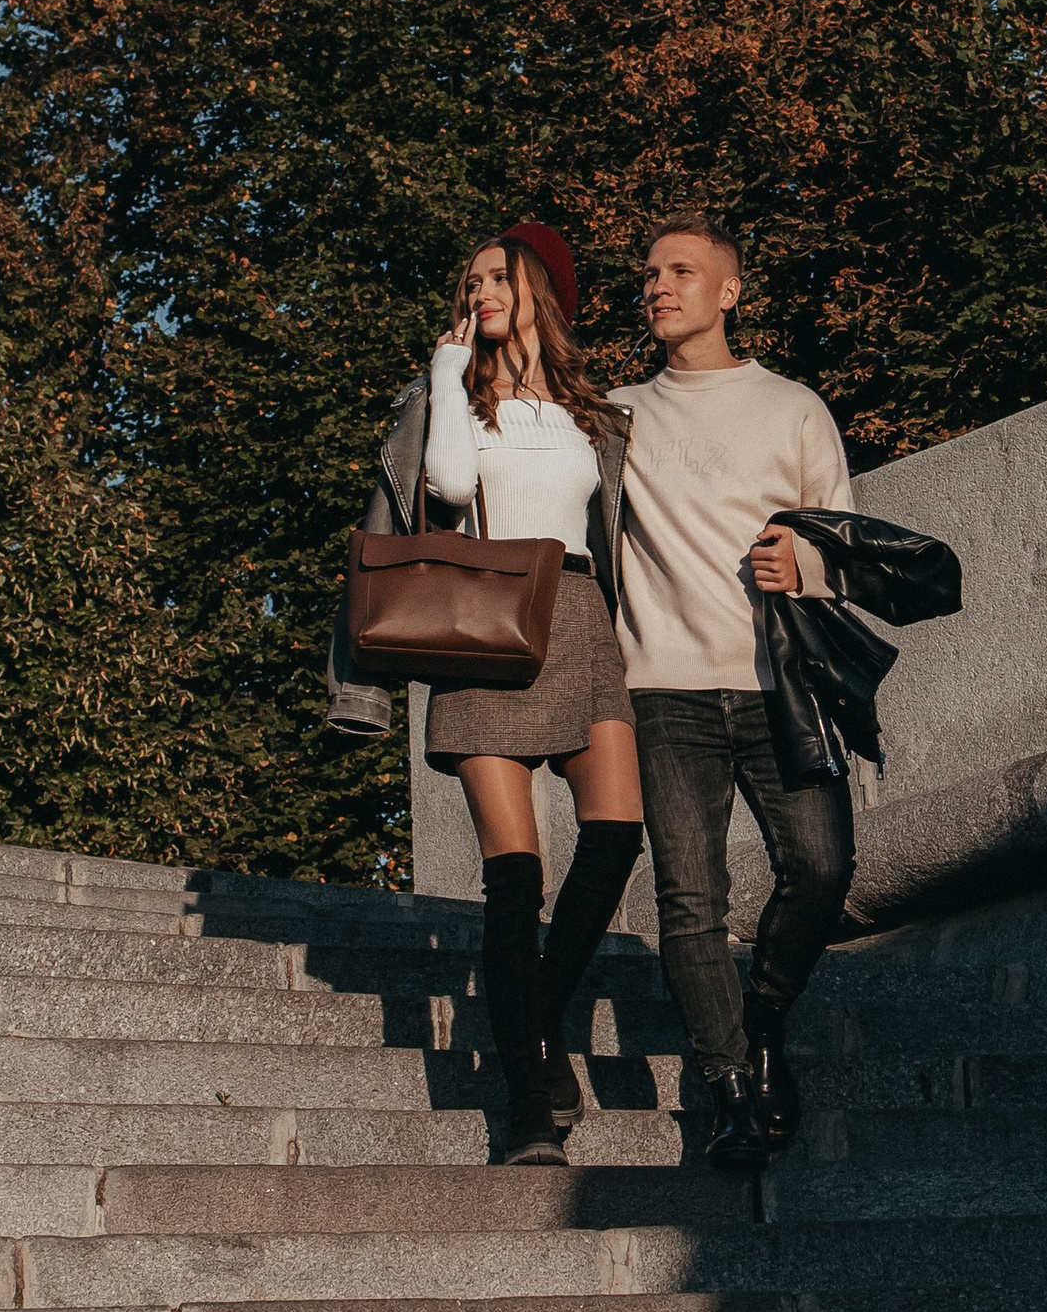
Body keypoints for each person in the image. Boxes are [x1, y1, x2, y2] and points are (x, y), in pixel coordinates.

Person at [328, 221, 642, 1165]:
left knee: (618, 833)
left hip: (582, 620)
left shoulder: (598, 417)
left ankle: (537, 1016)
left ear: (539, 287)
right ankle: (529, 1103)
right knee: (515, 879)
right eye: (469, 281)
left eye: (496, 277)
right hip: (486, 625)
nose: (481, 291)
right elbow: (450, 486)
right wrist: (446, 367)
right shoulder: (447, 399)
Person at [609, 213, 856, 1174]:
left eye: (682, 271)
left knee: (824, 866)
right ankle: (730, 1086)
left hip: (777, 688)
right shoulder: (615, 417)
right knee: (689, 901)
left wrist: (808, 560)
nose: (659, 286)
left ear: (730, 293)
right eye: (651, 273)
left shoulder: (793, 406)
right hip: (663, 691)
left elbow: (845, 537)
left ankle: (761, 1023)